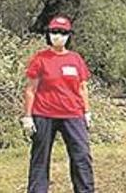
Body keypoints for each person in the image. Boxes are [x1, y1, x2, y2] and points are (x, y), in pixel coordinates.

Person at [22, 15, 95, 193]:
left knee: (82, 156)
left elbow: (82, 87)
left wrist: (87, 112)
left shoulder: (76, 59)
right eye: (54, 32)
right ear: (49, 34)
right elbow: (30, 89)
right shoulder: (40, 59)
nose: (58, 36)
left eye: (63, 32)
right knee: (40, 159)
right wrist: (27, 116)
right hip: (44, 115)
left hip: (73, 115)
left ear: (69, 35)